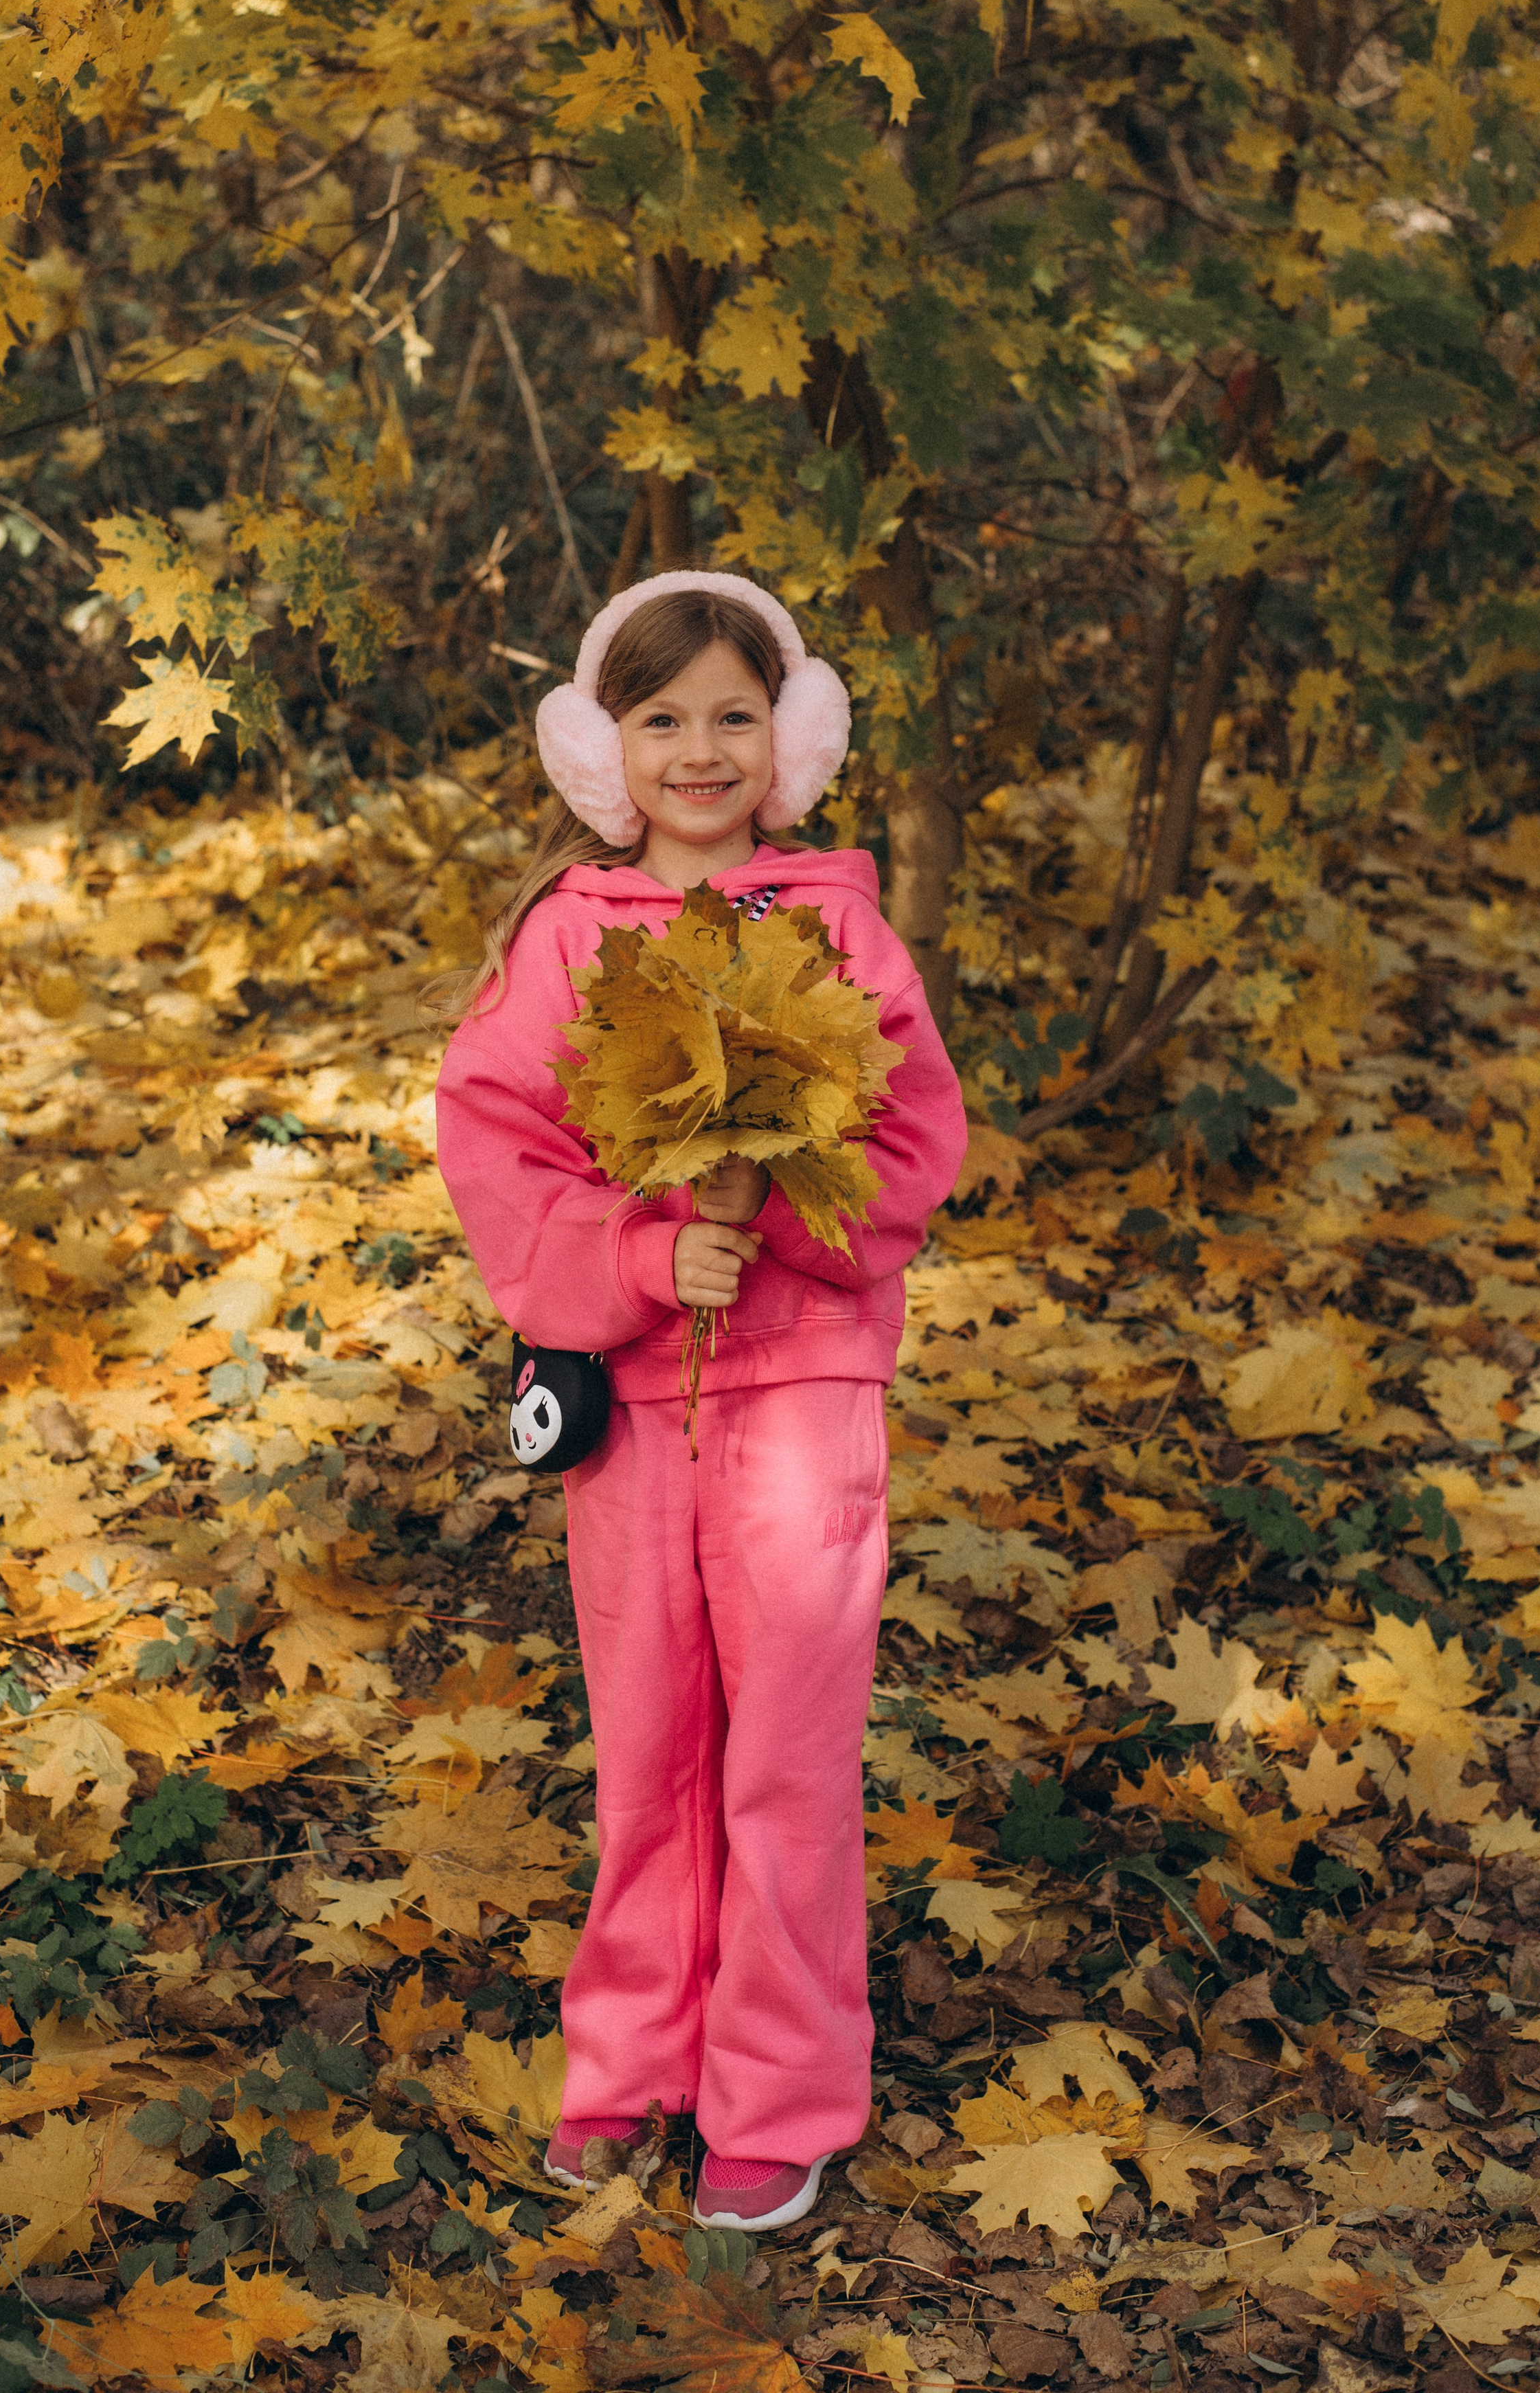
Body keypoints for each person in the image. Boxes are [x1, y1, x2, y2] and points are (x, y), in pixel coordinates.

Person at [433, 570, 968, 2233]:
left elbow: (908, 1142)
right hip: (637, 1402)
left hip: (803, 1400)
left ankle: (779, 2091)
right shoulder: (565, 937)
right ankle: (631, 2063)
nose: (701, 748)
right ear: (606, 747)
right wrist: (651, 1253)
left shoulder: (838, 926)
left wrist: (779, 1218)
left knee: (787, 1757)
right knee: (650, 1747)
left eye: (737, 712)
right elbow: (498, 1151)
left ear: (788, 738)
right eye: (661, 717)